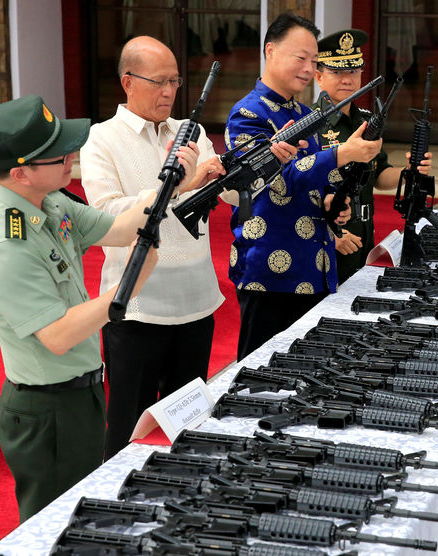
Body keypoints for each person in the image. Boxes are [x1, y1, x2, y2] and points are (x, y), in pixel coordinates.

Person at [0, 94, 199, 522]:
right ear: (20, 172)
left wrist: (173, 186)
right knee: (54, 526)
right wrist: (126, 290)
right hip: (48, 409)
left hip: (83, 392)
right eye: (57, 155)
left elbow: (115, 228)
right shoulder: (5, 245)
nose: (69, 157)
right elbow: (57, 335)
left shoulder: (50, 200)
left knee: (83, 513)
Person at [80, 36, 299, 458]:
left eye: (175, 81)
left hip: (196, 305)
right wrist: (179, 186)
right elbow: (107, 217)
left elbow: (234, 194)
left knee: (188, 430)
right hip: (137, 309)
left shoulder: (191, 131)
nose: (169, 92)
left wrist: (270, 162)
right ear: (128, 82)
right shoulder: (100, 139)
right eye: (159, 81)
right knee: (128, 432)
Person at [226, 13, 382, 361]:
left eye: (313, 61)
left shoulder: (301, 113)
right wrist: (343, 153)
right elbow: (276, 181)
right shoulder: (248, 116)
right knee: (259, 377)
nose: (309, 69)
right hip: (269, 274)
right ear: (271, 51)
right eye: (301, 58)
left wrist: (330, 202)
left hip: (314, 266)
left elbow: (308, 183)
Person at [313, 29, 433, 284]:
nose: (347, 79)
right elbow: (301, 186)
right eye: (337, 72)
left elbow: (379, 174)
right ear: (318, 76)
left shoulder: (368, 121)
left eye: (353, 72)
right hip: (327, 237)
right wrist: (329, 233)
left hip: (364, 233)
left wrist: (409, 172)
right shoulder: (309, 124)